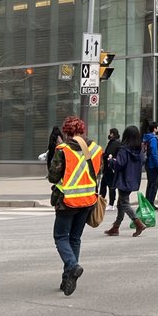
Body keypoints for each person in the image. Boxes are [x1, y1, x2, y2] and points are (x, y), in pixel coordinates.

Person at [46, 115, 102, 296]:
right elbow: (97, 172)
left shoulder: (63, 149)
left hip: (68, 201)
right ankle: (67, 279)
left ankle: (72, 266)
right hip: (88, 201)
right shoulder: (95, 148)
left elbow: (53, 177)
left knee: (61, 237)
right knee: (75, 239)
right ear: (82, 130)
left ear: (66, 132)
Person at [105, 125, 147, 237]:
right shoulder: (140, 150)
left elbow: (119, 164)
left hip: (123, 179)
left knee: (124, 203)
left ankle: (137, 222)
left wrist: (111, 161)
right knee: (121, 203)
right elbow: (142, 162)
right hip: (133, 179)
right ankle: (116, 227)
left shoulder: (124, 149)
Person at [100, 127, 121, 207]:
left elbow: (109, 154)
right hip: (108, 168)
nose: (110, 135)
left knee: (110, 185)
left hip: (109, 168)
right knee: (104, 185)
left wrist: (103, 154)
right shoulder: (114, 142)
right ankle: (102, 201)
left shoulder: (114, 143)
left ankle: (111, 203)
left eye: (111, 133)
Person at [142, 122, 158, 210]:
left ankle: (147, 202)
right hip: (152, 164)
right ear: (154, 129)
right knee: (154, 184)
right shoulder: (153, 139)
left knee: (150, 183)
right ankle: (150, 203)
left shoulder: (146, 138)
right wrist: (157, 165)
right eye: (157, 127)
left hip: (147, 163)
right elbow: (154, 153)